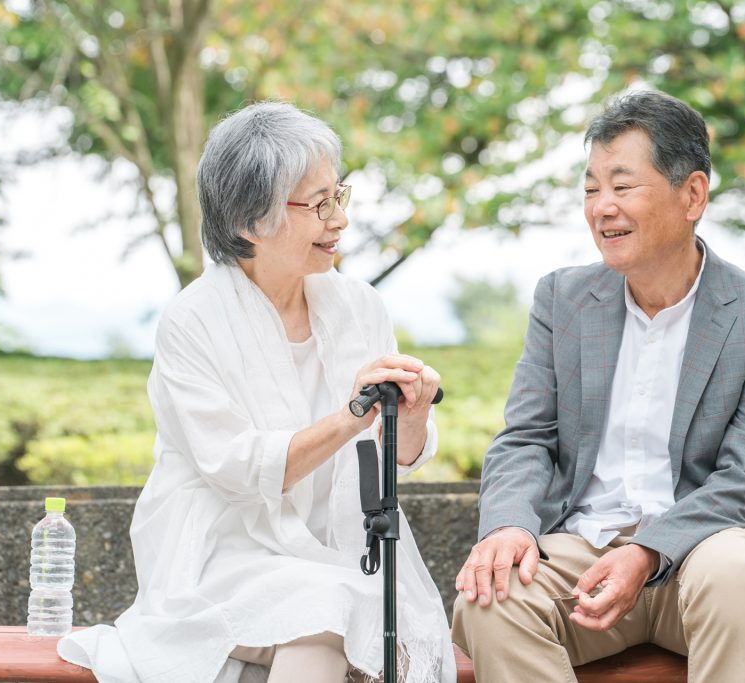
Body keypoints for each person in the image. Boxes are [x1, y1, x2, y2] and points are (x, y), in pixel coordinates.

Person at [58, 102, 456, 683]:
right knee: (339, 608)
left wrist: (412, 414)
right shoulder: (192, 321)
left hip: (339, 554)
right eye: (318, 204)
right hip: (222, 554)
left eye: (338, 196)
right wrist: (350, 415)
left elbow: (397, 455)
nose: (339, 220)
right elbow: (237, 468)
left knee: (333, 626)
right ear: (250, 221)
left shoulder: (359, 305)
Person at [451, 89, 745, 683]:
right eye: (591, 189)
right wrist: (510, 524)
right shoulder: (561, 299)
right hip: (581, 551)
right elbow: (525, 439)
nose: (601, 207)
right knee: (492, 599)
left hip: (704, 550)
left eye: (622, 186)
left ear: (692, 194)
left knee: (737, 571)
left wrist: (645, 552)